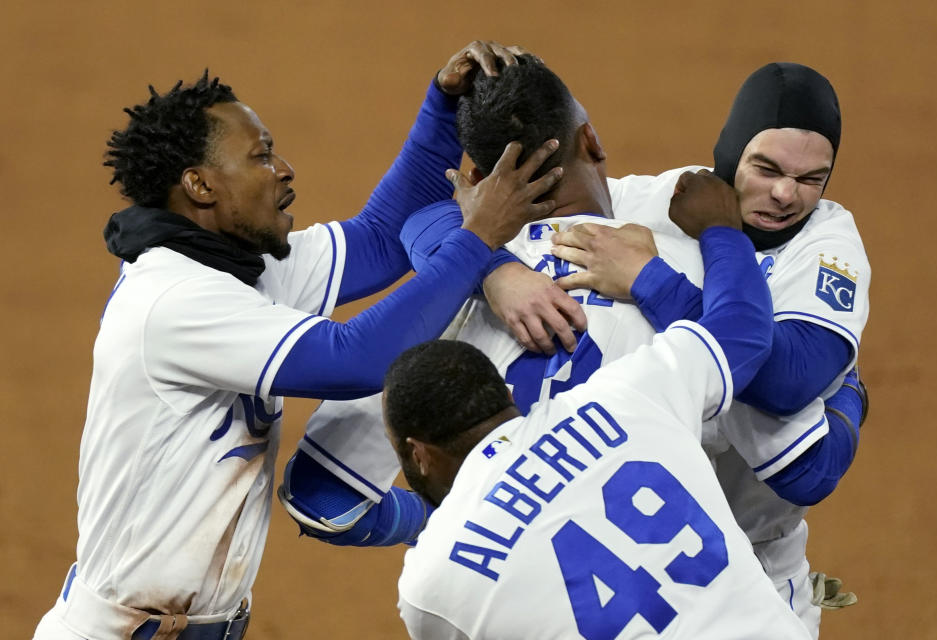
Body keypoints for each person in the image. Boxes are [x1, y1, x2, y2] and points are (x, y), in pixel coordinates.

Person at [278, 57, 866, 637]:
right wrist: (849, 392)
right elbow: (806, 465)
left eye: (810, 178)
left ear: (478, 187)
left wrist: (483, 264)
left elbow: (321, 499)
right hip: (722, 584)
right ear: (592, 140)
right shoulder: (715, 291)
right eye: (765, 168)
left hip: (548, 596)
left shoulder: (441, 306)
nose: (786, 193)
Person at [33, 41, 563, 640]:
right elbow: (358, 359)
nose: (284, 169)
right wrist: (478, 237)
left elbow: (381, 239)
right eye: (261, 156)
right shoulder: (172, 301)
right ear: (201, 186)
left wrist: (440, 107)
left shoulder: (240, 266)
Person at [382, 191, 812, 638]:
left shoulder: (430, 581)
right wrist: (723, 230)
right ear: (500, 395)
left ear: (418, 453)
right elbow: (741, 329)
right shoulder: (624, 395)